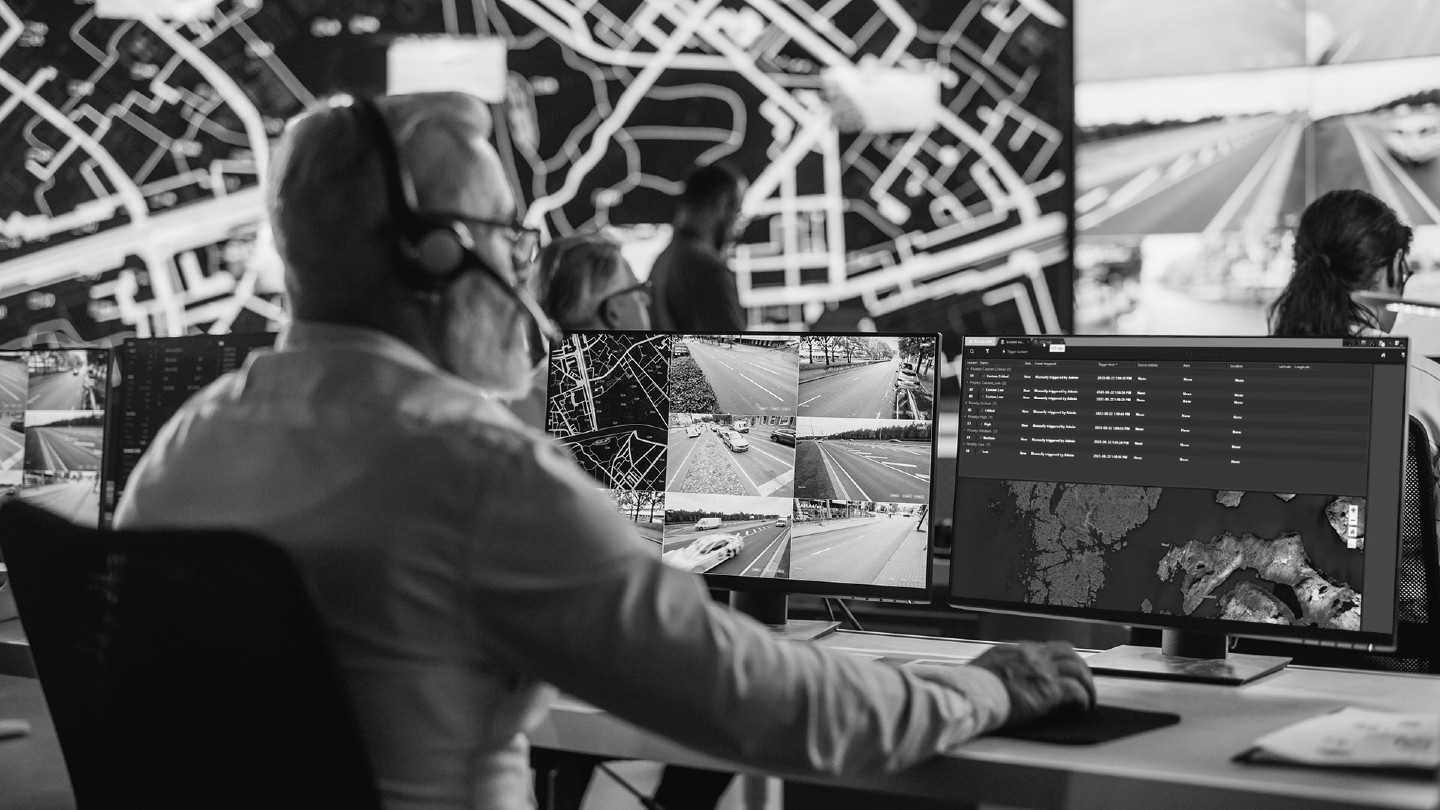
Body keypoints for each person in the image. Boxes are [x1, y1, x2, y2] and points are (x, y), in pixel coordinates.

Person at [115, 92, 1094, 810]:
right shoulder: (469, 472)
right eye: (510, 237)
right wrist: (988, 683)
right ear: (433, 253)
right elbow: (771, 709)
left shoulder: (179, 454)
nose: (520, 268)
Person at [1269, 188, 1440, 619]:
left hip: (1274, 644)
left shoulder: (1241, 381)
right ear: (1395, 269)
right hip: (1403, 647)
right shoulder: (1423, 385)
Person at [506, 231, 651, 429]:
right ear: (613, 310)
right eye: (638, 290)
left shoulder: (517, 407)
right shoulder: (653, 393)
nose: (646, 300)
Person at [649, 162, 748, 332]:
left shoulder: (664, 260)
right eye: (738, 213)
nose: (736, 232)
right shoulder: (706, 270)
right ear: (722, 204)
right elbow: (734, 354)